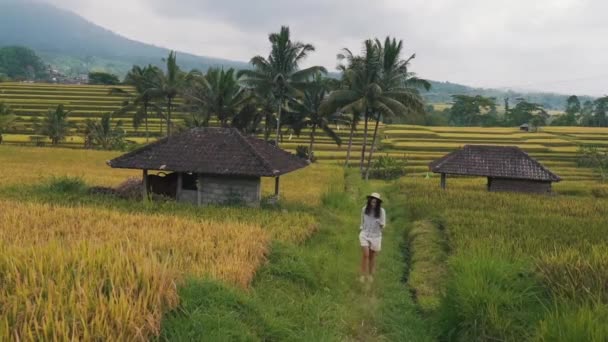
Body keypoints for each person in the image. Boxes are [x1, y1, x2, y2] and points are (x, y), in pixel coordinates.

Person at [359, 192, 386, 283]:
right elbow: (362, 222)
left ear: (378, 203)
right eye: (372, 202)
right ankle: (363, 275)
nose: (373, 204)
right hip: (365, 234)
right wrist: (362, 229)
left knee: (372, 256)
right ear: (369, 201)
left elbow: (383, 225)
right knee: (365, 255)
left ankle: (370, 275)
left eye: (375, 202)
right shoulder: (364, 209)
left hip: (376, 236)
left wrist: (380, 223)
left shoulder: (381, 211)